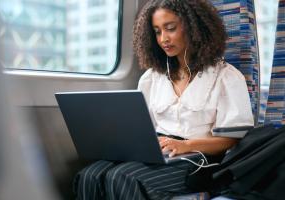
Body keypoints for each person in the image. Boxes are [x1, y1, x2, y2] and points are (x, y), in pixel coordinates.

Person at [74, 0, 254, 199]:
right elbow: (143, 127)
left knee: (122, 177)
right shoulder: (152, 77)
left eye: (170, 28)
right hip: (160, 150)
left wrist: (185, 145)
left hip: (200, 159)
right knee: (90, 174)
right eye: (157, 31)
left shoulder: (226, 77)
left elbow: (231, 140)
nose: (163, 39)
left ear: (194, 28)